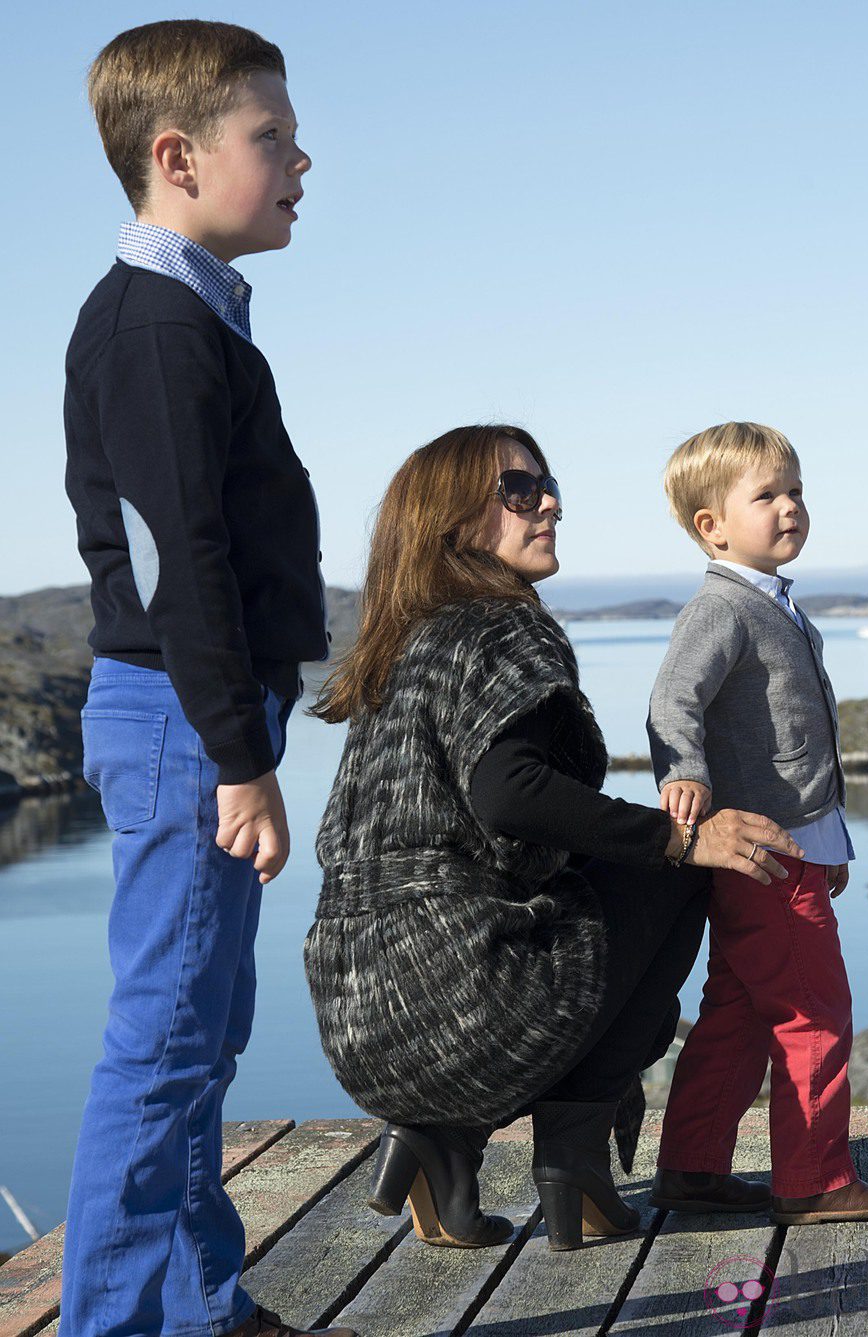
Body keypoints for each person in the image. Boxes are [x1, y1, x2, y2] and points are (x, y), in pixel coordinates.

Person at [305, 424, 804, 1252]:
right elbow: (512, 796)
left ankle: (446, 1145)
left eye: (547, 484)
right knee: (679, 865)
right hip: (457, 1000)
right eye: (520, 491)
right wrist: (684, 841)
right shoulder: (502, 627)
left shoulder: (409, 644)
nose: (552, 503)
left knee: (634, 857)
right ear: (455, 523)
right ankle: (567, 1154)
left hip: (360, 1014)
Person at [61, 21, 353, 1337]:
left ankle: (194, 1300)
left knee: (203, 1029)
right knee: (167, 1039)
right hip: (185, 724)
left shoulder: (188, 320)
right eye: (273, 136)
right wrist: (242, 755)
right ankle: (122, 1321)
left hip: (192, 717)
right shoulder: (158, 332)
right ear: (176, 156)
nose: (302, 158)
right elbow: (180, 562)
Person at [646, 421, 868, 1225]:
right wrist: (682, 771)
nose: (791, 506)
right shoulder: (721, 607)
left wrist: (830, 845)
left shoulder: (775, 602)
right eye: (768, 495)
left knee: (740, 1007)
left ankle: (691, 1165)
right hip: (762, 854)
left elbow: (800, 740)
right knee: (813, 1009)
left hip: (791, 849)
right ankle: (815, 1180)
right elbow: (671, 701)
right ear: (710, 526)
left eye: (796, 490)